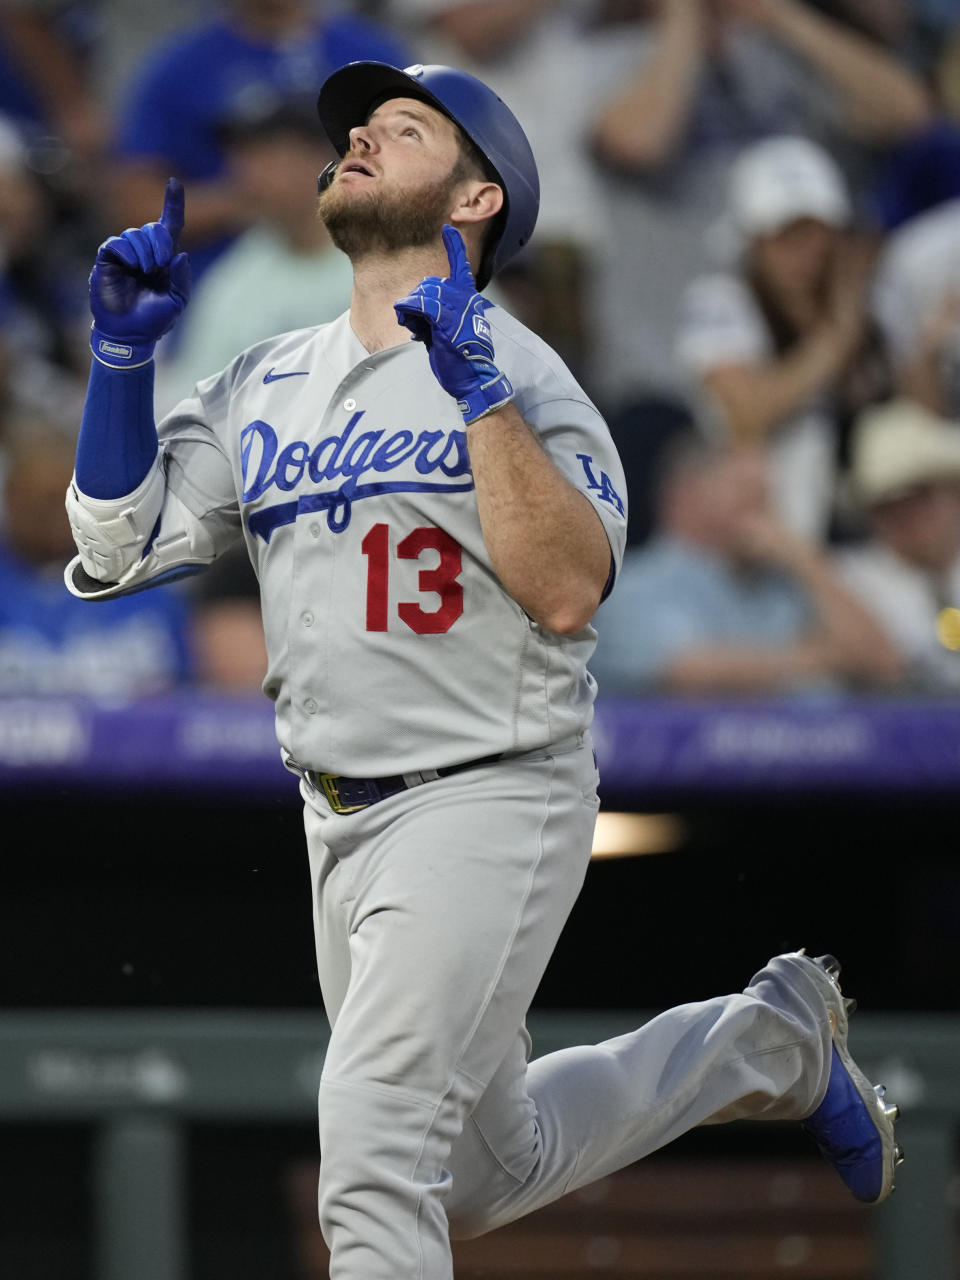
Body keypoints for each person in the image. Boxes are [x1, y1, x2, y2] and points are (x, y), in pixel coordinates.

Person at [63, 58, 901, 1279]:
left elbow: (567, 588)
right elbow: (117, 537)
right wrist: (122, 361)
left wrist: (481, 399)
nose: (358, 135)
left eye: (402, 129)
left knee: (373, 1145)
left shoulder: (528, 375)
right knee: (480, 1170)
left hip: (488, 788)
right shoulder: (267, 376)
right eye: (359, 124)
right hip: (336, 812)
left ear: (474, 200)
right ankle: (766, 1043)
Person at [676, 134, 891, 541]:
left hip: (842, 529)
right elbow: (746, 412)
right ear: (753, 239)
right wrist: (838, 336)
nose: (805, 250)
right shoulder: (720, 300)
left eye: (814, 231)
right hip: (750, 535)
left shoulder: (856, 302)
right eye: (786, 234)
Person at [589, 435, 902, 696]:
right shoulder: (635, 582)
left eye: (766, 498)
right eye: (746, 494)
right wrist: (824, 657)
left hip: (822, 766)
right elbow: (690, 672)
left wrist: (806, 561)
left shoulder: (786, 583)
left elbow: (884, 664)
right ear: (686, 497)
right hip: (689, 769)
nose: (763, 513)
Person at [834, 396, 960, 692]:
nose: (909, 516)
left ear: (953, 493)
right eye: (889, 505)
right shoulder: (851, 579)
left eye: (920, 497)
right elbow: (876, 664)